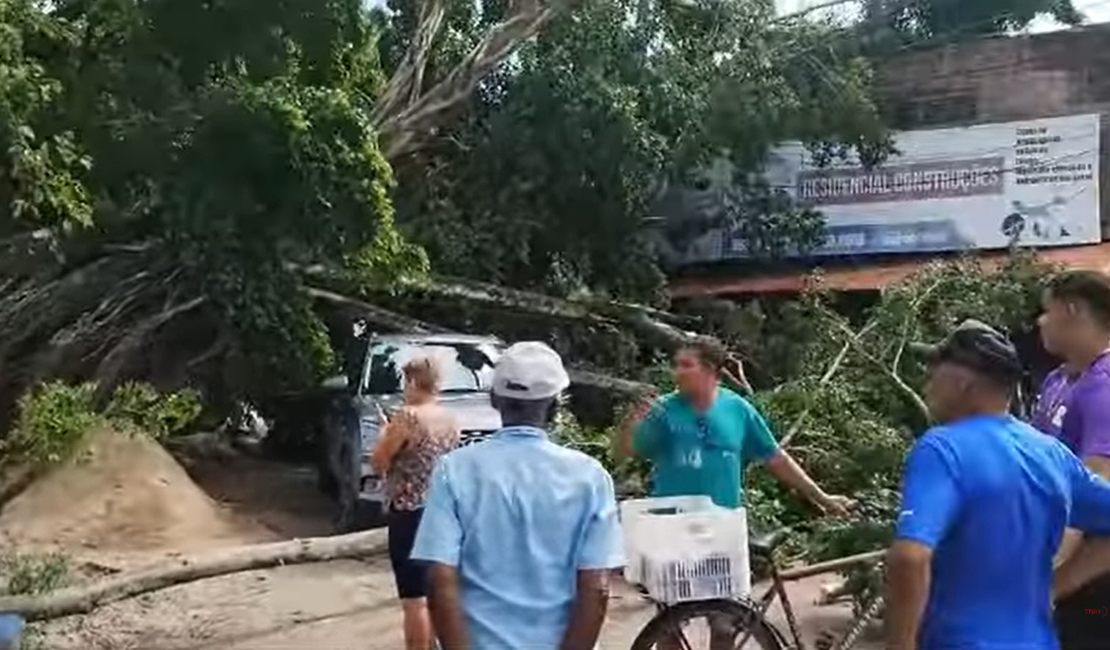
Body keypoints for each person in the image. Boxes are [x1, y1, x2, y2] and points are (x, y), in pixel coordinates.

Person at [885, 319, 1110, 650]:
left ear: (963, 382)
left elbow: (910, 557)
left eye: (936, 370)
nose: (927, 382)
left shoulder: (943, 448)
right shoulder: (1050, 452)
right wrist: (1053, 586)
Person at [410, 341, 624, 650]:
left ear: (495, 399)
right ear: (555, 406)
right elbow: (596, 588)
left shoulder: (454, 470)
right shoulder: (589, 477)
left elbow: (439, 579)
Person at [618, 336, 853, 516]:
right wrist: (632, 421)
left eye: (686, 365)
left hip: (721, 525)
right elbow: (627, 452)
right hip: (673, 525)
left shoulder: (737, 409)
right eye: (676, 365)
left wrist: (824, 499)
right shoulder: (663, 409)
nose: (677, 373)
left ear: (711, 370)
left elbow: (776, 459)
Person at [1032, 270, 1110, 649]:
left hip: (1095, 583)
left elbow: (1095, 495)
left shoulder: (1105, 387)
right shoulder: (1057, 382)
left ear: (1073, 310)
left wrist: (1048, 583)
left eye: (1047, 310)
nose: (1040, 321)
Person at [372, 356, 460, 650]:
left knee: (414, 600)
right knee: (436, 592)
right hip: (442, 511)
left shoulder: (408, 417)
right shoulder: (450, 418)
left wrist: (385, 433)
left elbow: (379, 462)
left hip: (409, 514)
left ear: (412, 381)